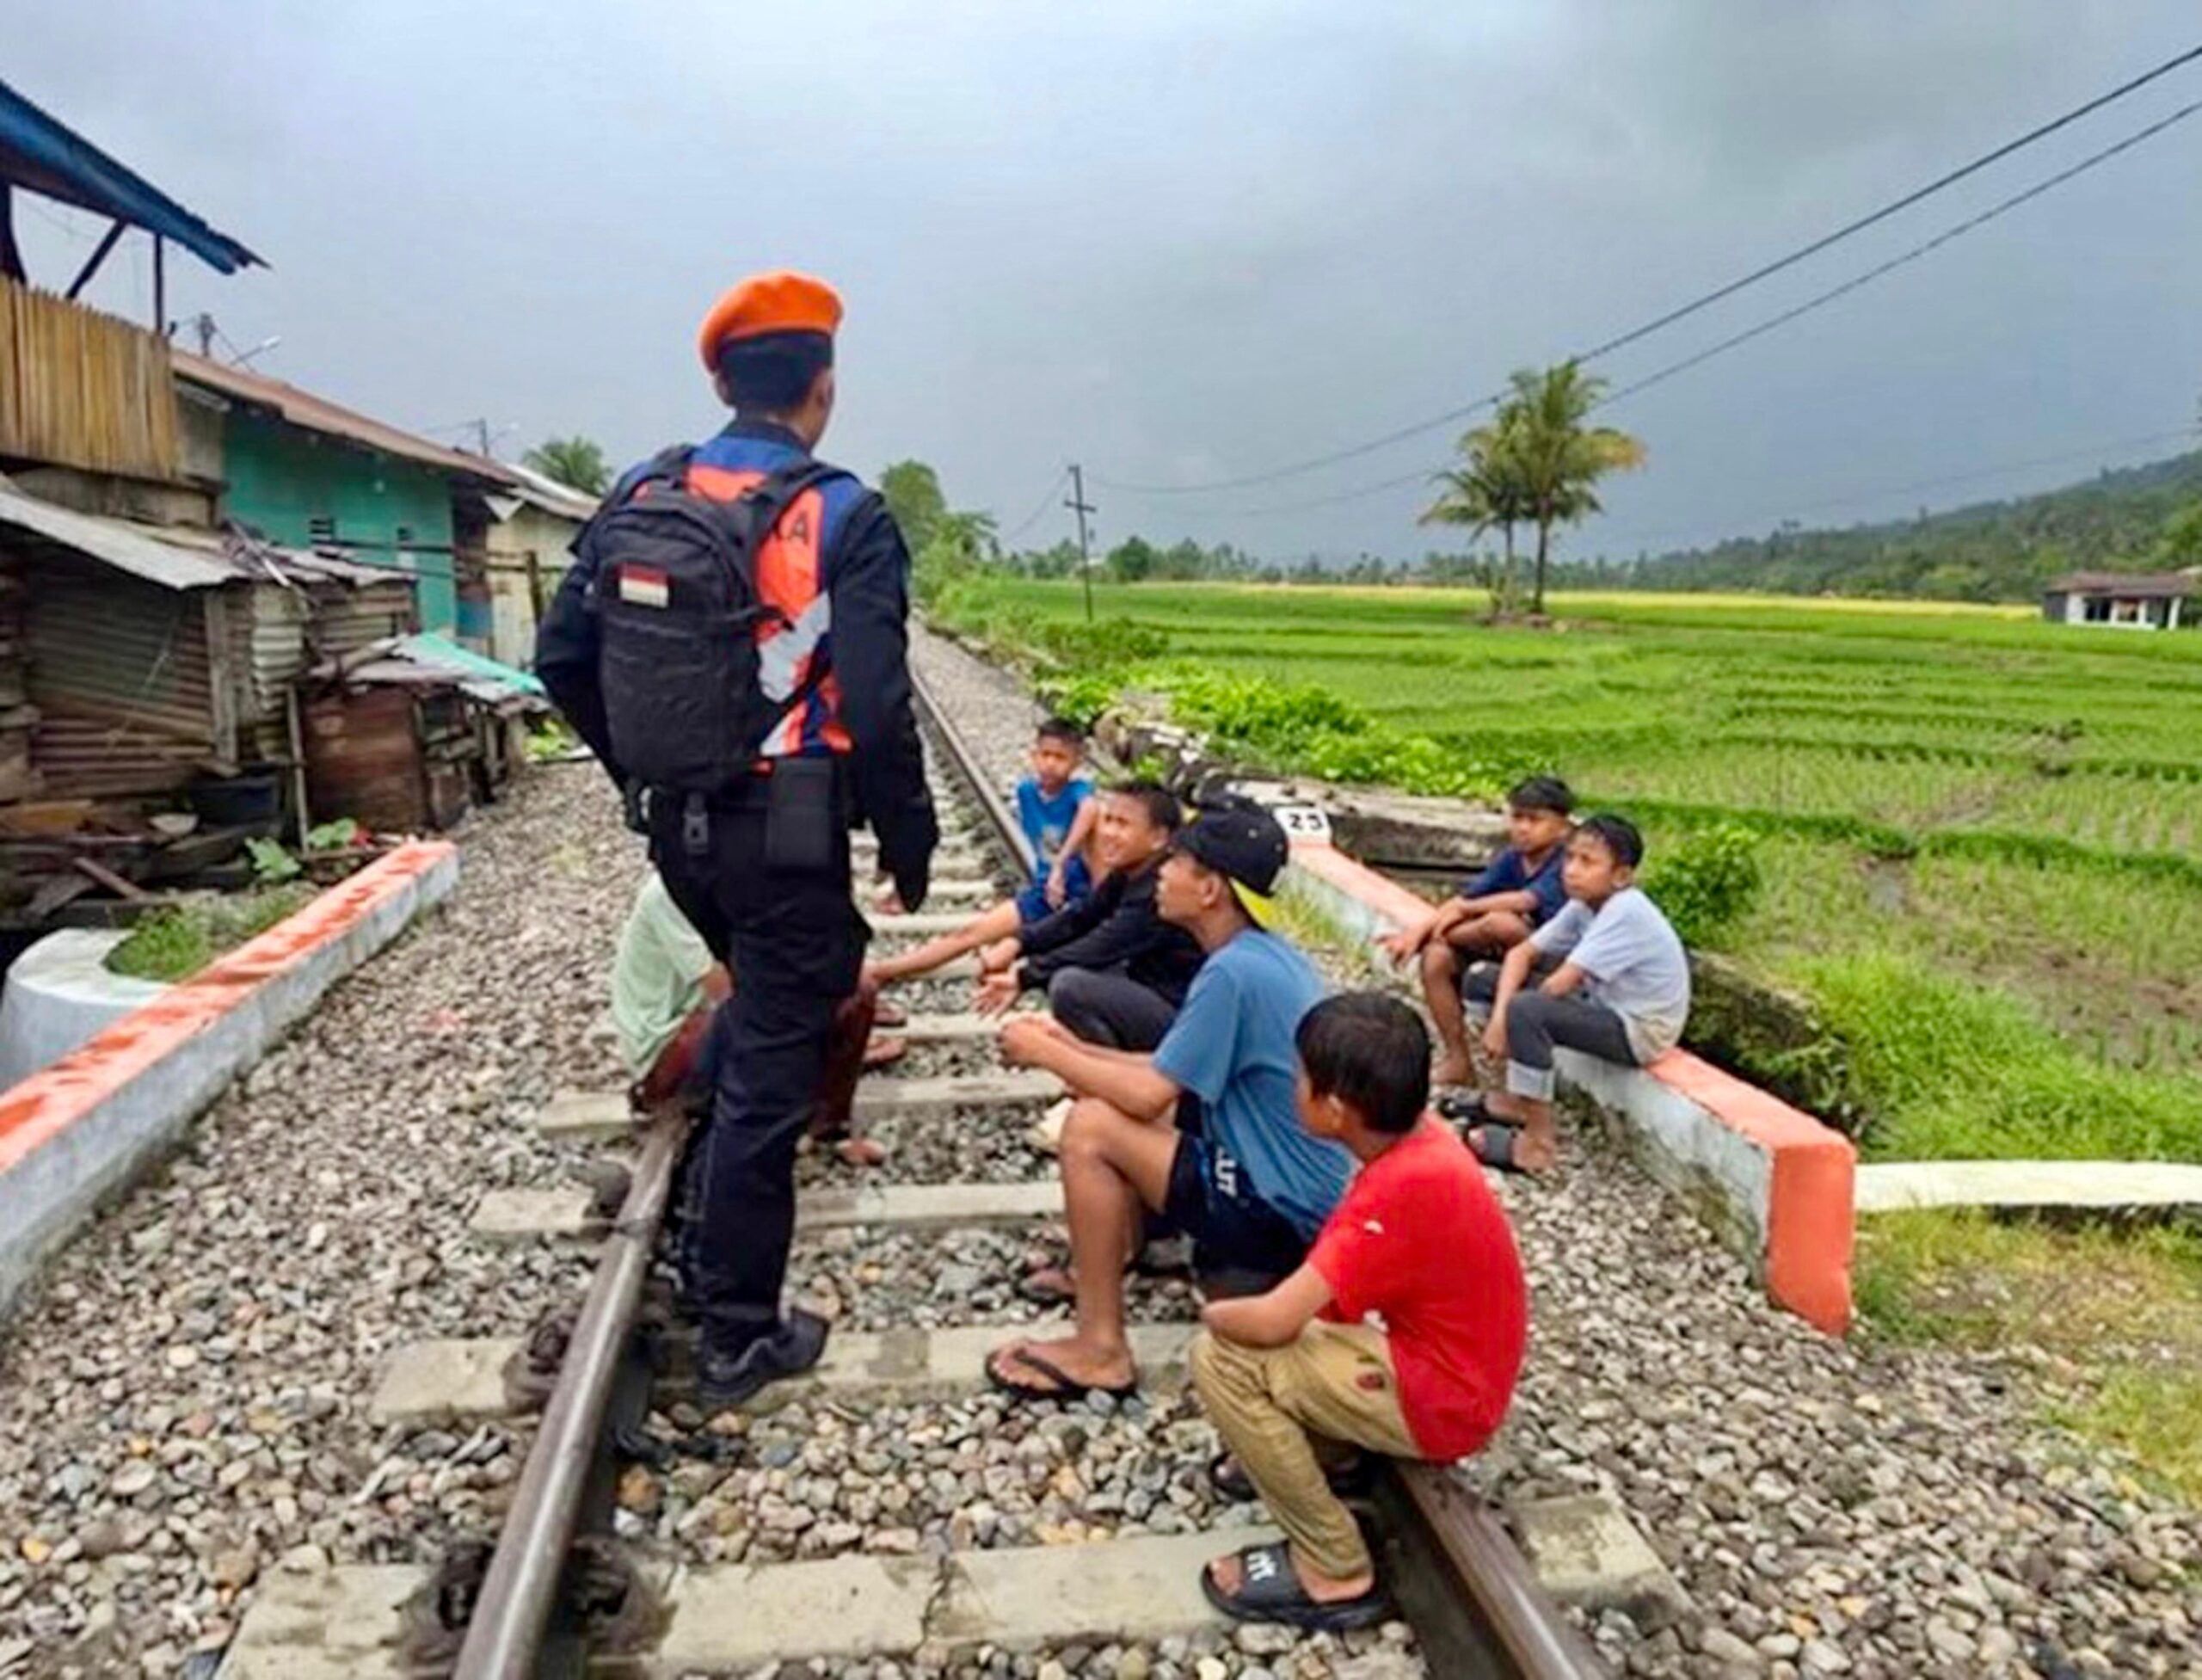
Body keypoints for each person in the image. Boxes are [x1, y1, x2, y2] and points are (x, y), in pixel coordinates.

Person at [537, 270, 937, 1408]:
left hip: (681, 822)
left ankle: (710, 1229)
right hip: (796, 818)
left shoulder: (641, 490)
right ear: (825, 386)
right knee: (771, 1064)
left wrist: (640, 775)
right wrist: (907, 847)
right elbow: (878, 694)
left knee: (762, 1010)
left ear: (719, 380)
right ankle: (738, 1330)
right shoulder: (846, 514)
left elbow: (561, 659)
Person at [984, 803, 1352, 1402]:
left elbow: (1148, 1092)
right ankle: (1130, 1251)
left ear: (1209, 889)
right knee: (1110, 1103)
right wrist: (1070, 1046)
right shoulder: (1261, 957)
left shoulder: (1231, 973)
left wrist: (1046, 1053)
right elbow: (1165, 1074)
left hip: (1276, 1211)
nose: (1161, 872)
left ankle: (1101, 1348)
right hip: (1296, 1195)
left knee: (1091, 1127)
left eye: (1175, 861)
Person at [1191, 993, 1527, 1631]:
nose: (1294, 1086)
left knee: (1221, 1360)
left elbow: (1271, 1322)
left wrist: (1213, 1314)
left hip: (1446, 1400)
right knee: (1301, 1338)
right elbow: (1338, 1302)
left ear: (1336, 1108)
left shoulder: (1397, 1188)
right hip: (1452, 1370)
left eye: (1300, 1076)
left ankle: (1334, 1563)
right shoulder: (1419, 1147)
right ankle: (1329, 1451)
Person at [612, 871, 903, 1162]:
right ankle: (739, 1133)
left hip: (722, 1023)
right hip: (669, 1048)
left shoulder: (750, 875)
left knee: (855, 989)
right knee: (778, 1011)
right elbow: (724, 989)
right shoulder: (670, 891)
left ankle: (829, 1129)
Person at [1457, 813, 1690, 1176]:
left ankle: (1538, 1143)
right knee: (1481, 979)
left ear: (1621, 877)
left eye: (1587, 862)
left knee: (1528, 1009)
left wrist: (1507, 1018)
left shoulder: (1625, 910)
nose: (1571, 870)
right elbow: (1522, 953)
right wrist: (1499, 1016)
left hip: (1640, 1030)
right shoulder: (1584, 906)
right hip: (1602, 1008)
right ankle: (1516, 1098)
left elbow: (1558, 985)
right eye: (1570, 858)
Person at [972, 779, 1204, 1052]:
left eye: (1122, 824)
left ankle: (1113, 1084)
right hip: (1150, 989)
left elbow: (1101, 945)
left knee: (1070, 986)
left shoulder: (1161, 889)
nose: (1108, 832)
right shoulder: (1130, 871)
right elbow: (1081, 917)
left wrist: (1025, 976)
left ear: (1159, 838)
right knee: (1071, 971)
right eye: (1107, 820)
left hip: (1185, 1020)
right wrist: (1019, 942)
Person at [865, 719, 1098, 985]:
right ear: (1034, 755)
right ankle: (882, 970)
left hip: (1079, 896)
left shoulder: (1079, 793)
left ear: (1076, 763)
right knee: (969, 934)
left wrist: (1061, 863)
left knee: (1005, 954)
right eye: (1045, 755)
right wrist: (1052, 874)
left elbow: (1090, 810)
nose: (1051, 764)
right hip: (1045, 892)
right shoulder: (1026, 791)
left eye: (1060, 758)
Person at [1381, 776, 1574, 1087]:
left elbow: (1525, 900)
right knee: (1436, 958)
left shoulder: (1567, 863)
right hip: (1505, 954)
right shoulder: (1512, 859)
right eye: (1517, 818)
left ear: (1563, 827)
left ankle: (1442, 939)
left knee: (1501, 923)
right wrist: (1417, 932)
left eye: (1535, 820)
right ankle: (1458, 1060)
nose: (1523, 828)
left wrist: (1464, 912)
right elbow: (1462, 900)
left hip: (1551, 959)